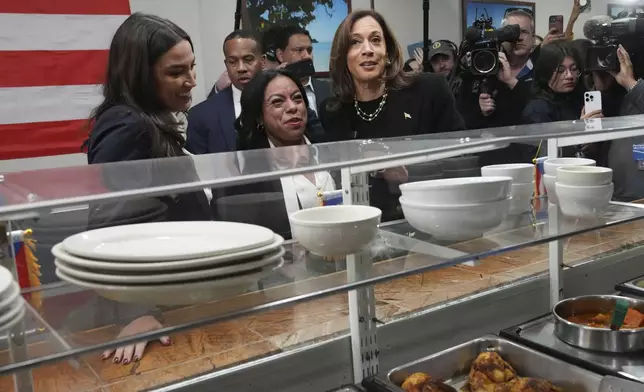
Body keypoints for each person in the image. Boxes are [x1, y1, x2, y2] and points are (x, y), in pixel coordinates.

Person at [85, 13, 211, 364]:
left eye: (192, 67)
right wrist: (135, 312)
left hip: (177, 300)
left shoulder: (149, 120)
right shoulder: (127, 127)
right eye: (175, 72)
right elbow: (113, 226)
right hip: (153, 312)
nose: (191, 81)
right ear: (141, 75)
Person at [319, 9, 464, 220]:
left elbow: (461, 160)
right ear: (343, 56)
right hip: (363, 225)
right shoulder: (332, 111)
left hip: (429, 217)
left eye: (376, 40)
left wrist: (407, 174)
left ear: (387, 51)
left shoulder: (429, 89)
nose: (367, 49)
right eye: (355, 42)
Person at [213, 69, 336, 238]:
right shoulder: (249, 177)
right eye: (278, 102)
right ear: (259, 118)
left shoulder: (329, 151)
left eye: (297, 98)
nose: (293, 107)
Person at [186, 30, 265, 154]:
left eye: (248, 59)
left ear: (263, 61)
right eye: (232, 62)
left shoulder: (288, 105)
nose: (241, 68)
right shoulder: (201, 116)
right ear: (226, 64)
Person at [275, 26, 331, 115]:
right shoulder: (273, 93)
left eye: (309, 50)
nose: (307, 56)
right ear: (280, 55)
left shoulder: (330, 90)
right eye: (299, 50)